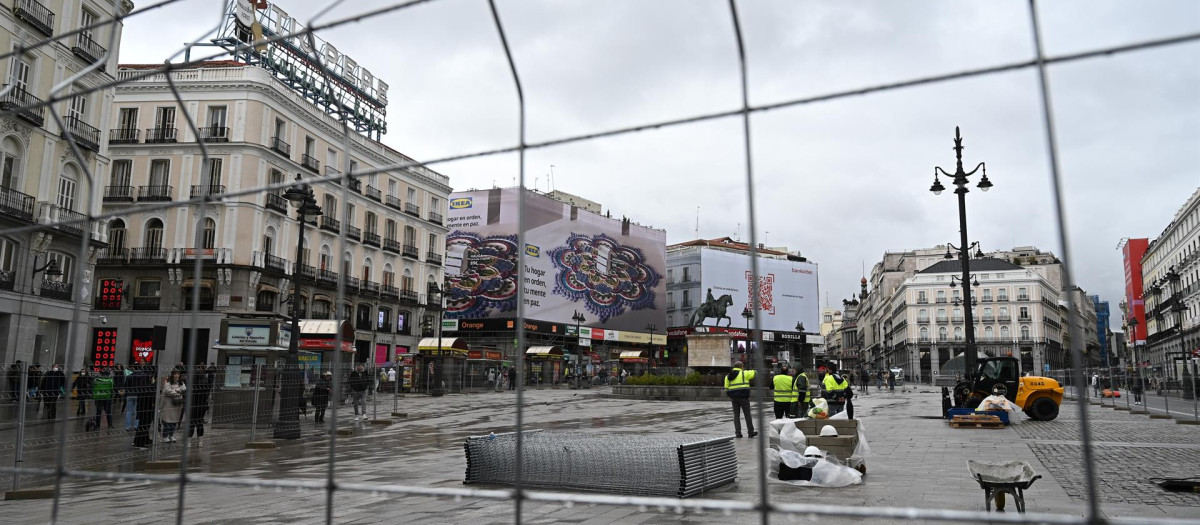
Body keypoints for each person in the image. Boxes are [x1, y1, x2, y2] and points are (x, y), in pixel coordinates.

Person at [724, 361, 758, 438]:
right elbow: (755, 373)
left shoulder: (728, 376)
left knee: (736, 416)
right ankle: (750, 432)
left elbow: (726, 388)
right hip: (744, 397)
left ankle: (738, 433)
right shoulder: (744, 373)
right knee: (747, 415)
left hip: (734, 398)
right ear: (741, 366)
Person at [186, 364, 211, 447]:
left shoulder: (193, 386)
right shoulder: (205, 385)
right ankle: (200, 442)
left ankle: (188, 442)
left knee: (191, 423)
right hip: (202, 406)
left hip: (193, 406)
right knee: (200, 423)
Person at [160, 369, 187, 443]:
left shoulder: (181, 383)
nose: (176, 376)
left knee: (174, 421)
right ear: (172, 375)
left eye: (178, 374)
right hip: (168, 404)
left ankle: (171, 435)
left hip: (177, 404)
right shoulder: (168, 383)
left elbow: (184, 389)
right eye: (175, 374)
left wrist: (176, 391)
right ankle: (165, 436)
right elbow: (168, 390)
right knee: (167, 421)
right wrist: (178, 392)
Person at [132, 366, 156, 447]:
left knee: (143, 424)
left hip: (144, 407)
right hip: (146, 407)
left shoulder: (144, 382)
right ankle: (141, 441)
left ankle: (141, 440)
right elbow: (149, 395)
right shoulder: (147, 384)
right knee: (144, 424)